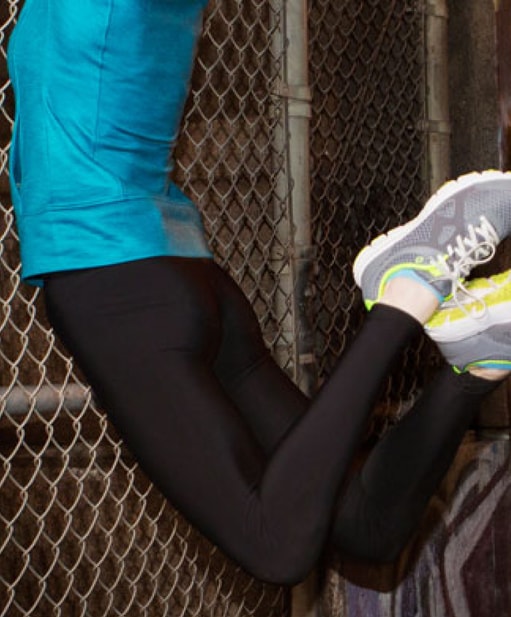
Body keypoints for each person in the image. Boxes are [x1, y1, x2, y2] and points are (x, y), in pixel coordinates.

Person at [7, 0, 511, 585]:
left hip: (105, 272)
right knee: (365, 525)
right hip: (180, 269)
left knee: (276, 547)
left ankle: (407, 290)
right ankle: (479, 358)